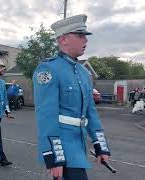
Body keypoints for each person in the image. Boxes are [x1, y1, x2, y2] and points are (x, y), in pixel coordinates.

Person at [33, 14, 111, 180]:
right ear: (64, 39)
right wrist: (54, 157)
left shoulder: (83, 72)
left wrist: (100, 146)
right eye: (80, 35)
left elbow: (91, 112)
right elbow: (46, 116)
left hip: (79, 144)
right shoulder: (48, 69)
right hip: (63, 146)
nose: (85, 40)